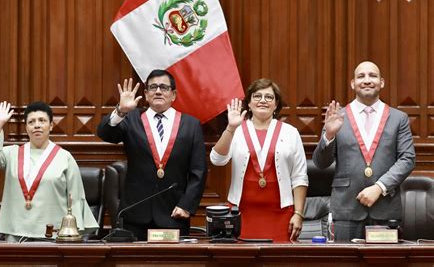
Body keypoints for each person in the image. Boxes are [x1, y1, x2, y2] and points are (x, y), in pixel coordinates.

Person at [97, 69, 207, 241]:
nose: (158, 91)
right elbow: (105, 134)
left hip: (174, 214)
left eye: (164, 87)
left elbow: (198, 171)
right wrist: (120, 110)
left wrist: (186, 205)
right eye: (153, 87)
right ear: (146, 94)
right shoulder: (131, 118)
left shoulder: (191, 125)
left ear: (173, 94)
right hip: (135, 215)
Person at [313, 61, 415, 241]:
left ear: (381, 82)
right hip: (346, 210)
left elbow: (407, 159)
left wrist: (379, 187)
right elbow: (321, 163)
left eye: (372, 76)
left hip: (385, 209)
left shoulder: (399, 118)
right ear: (353, 84)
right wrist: (329, 135)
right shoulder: (338, 117)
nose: (367, 80)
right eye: (361, 76)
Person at [0, 101, 98, 242]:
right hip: (16, 236)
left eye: (42, 120)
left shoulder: (65, 157)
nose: (37, 125)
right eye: (31, 122)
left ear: (51, 125)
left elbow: (74, 198)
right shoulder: (11, 154)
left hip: (53, 237)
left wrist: (73, 234)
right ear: (26, 128)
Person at [209, 78, 308, 242]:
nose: (263, 100)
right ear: (248, 103)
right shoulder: (237, 130)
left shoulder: (291, 133)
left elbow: (299, 177)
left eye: (269, 97)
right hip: (241, 213)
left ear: (276, 105)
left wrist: (298, 213)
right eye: (257, 96)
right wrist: (230, 128)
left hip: (281, 213)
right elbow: (217, 160)